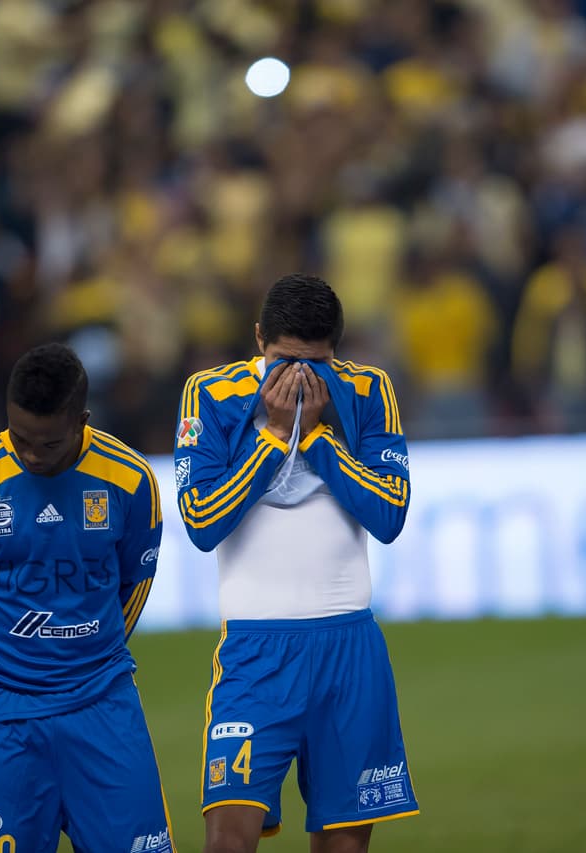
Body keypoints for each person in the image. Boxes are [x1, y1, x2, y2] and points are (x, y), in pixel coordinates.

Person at [174, 273, 418, 853]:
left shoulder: (368, 389)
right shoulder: (209, 394)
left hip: (350, 650)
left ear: (338, 348)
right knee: (227, 843)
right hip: (255, 656)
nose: (300, 379)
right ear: (259, 339)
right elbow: (202, 524)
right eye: (284, 362)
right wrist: (276, 435)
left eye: (317, 364)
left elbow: (389, 516)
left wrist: (317, 439)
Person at [0, 342, 173, 853]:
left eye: (48, 444)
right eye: (19, 438)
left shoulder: (131, 480)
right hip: (2, 710)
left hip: (103, 705)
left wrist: (87, 654)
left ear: (82, 419)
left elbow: (132, 586)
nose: (30, 454)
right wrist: (13, 661)